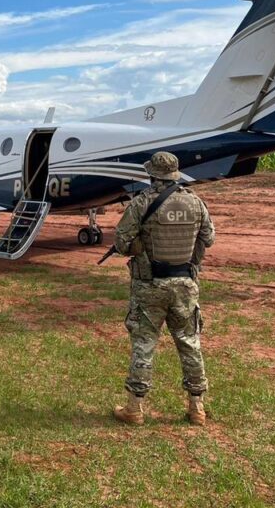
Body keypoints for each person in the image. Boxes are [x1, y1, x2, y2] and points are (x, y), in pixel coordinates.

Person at [110, 151, 215, 426]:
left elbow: (121, 242)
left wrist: (140, 246)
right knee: (190, 343)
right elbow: (209, 238)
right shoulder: (195, 202)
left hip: (150, 285)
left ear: (152, 174)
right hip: (185, 285)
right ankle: (196, 407)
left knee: (144, 345)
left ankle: (134, 408)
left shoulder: (141, 203)